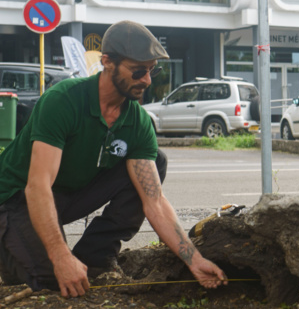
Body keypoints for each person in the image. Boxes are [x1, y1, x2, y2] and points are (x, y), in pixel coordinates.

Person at [0, 20, 227, 297]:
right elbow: (37, 187)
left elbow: (154, 202)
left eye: (152, 70)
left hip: (65, 196)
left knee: (156, 161)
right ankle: (14, 250)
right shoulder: (64, 100)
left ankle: (94, 257)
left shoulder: (137, 121)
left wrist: (194, 259)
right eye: (139, 71)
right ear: (107, 62)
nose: (147, 80)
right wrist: (60, 256)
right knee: (51, 282)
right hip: (15, 199)